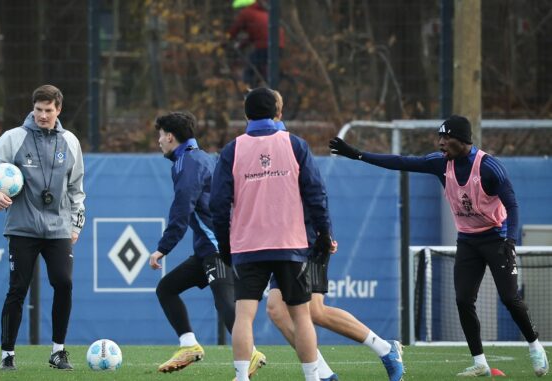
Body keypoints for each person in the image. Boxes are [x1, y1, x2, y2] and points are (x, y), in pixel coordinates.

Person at [329, 115, 548, 378]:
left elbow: (512, 205)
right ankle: (480, 362)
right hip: (468, 240)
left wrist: (510, 240)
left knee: (510, 298)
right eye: (439, 137)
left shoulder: (489, 168)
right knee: (463, 299)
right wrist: (358, 155)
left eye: (446, 137)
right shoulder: (440, 164)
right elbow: (401, 162)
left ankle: (535, 346)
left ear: (463, 141)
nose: (441, 142)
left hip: (496, 238)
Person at [265, 90, 405, 381]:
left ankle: (385, 348)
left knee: (314, 311)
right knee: (277, 310)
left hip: (304, 239)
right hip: (281, 242)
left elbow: (316, 193)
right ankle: (326, 374)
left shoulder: (291, 146)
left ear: (278, 115)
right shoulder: (247, 149)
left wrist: (323, 233)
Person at [211, 87, 334, 381]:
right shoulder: (295, 144)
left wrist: (226, 246)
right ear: (279, 112)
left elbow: (217, 204)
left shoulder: (232, 149)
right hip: (290, 243)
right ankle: (313, 378)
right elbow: (316, 194)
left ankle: (242, 377)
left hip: (248, 246)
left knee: (244, 315)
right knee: (301, 315)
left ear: (245, 114)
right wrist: (323, 234)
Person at [0, 84, 85, 371]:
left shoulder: (70, 141)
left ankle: (58, 351)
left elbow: (76, 188)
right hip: (22, 228)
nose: (42, 116)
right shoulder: (15, 137)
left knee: (64, 283)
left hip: (59, 229)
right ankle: (7, 354)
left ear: (58, 110)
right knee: (17, 289)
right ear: (32, 109)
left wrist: (76, 224)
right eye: (38, 110)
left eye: (48, 110)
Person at [149, 111, 265, 375]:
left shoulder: (187, 163)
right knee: (167, 288)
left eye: (160, 136)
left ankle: (251, 353)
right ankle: (189, 345)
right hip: (208, 250)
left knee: (225, 301)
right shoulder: (203, 158)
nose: (158, 142)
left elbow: (182, 210)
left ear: (169, 136)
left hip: (217, 248)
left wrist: (162, 248)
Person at [227, 0, 285, 87]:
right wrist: (241, 45)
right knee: (264, 69)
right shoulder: (262, 13)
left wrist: (226, 38)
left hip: (266, 45)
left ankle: (251, 93)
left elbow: (235, 29)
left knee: (250, 70)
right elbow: (253, 36)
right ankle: (269, 83)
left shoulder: (246, 13)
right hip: (278, 44)